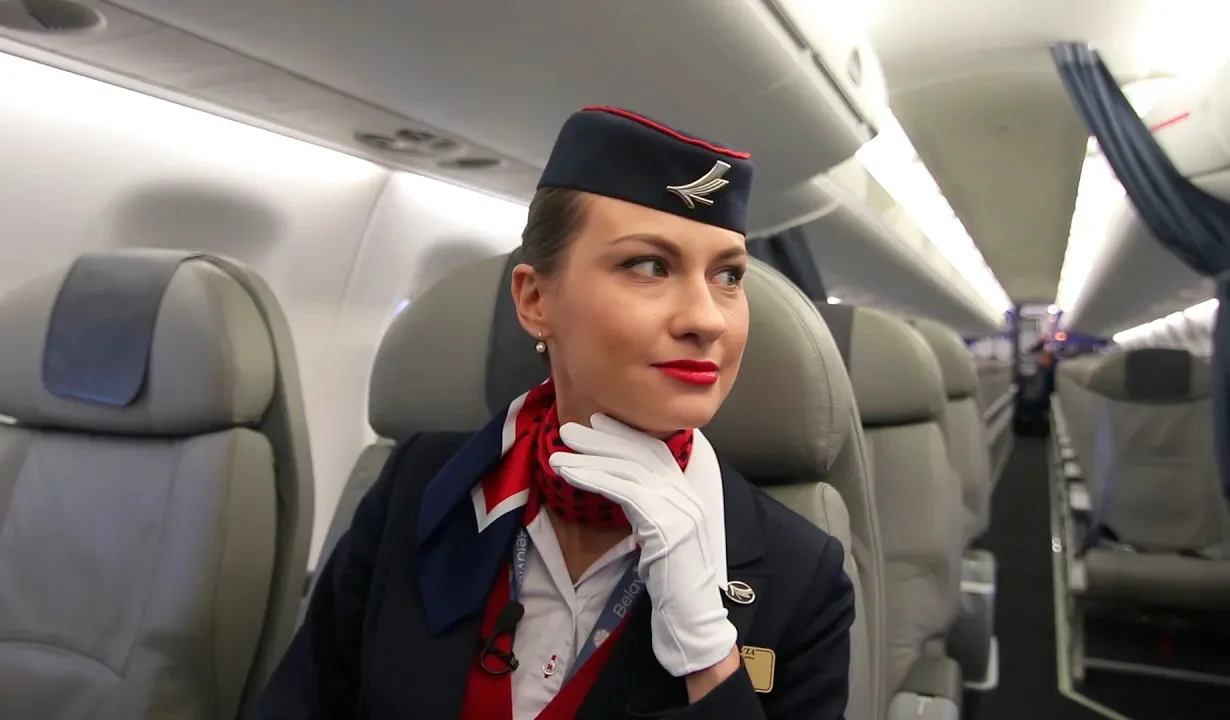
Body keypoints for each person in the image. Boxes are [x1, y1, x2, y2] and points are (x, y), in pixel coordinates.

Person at [250, 106, 855, 719]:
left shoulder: (802, 575)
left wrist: (705, 647)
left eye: (728, 275)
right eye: (649, 266)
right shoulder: (418, 487)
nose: (706, 319)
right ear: (536, 299)